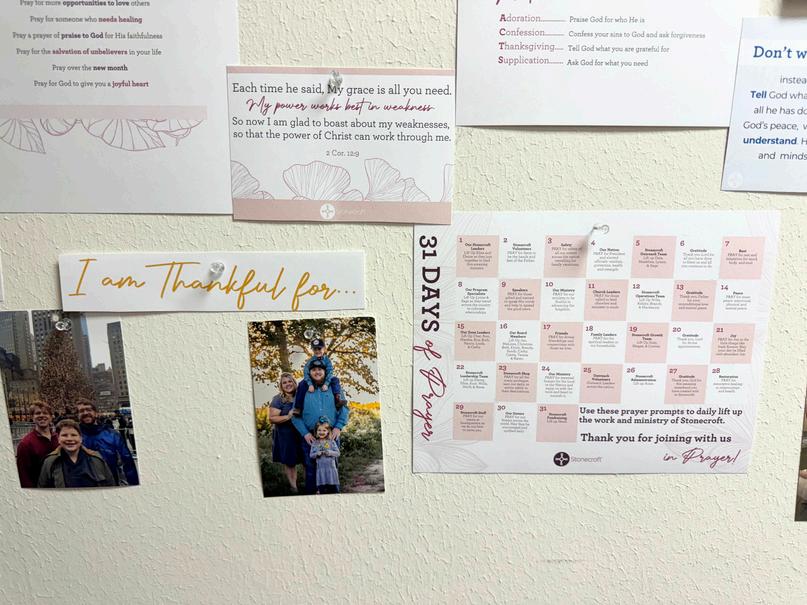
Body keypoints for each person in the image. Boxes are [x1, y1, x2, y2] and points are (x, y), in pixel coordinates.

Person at [292, 359, 349, 494]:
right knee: (310, 469)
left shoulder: (334, 388)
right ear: (309, 372)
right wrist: (305, 433)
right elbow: (295, 415)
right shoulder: (303, 389)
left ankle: (333, 496)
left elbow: (344, 409)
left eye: (320, 369)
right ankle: (313, 497)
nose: (317, 372)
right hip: (310, 436)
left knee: (332, 467)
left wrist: (338, 427)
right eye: (314, 370)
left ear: (325, 371)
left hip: (330, 434)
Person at [76, 399, 139, 486]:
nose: (85, 413)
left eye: (89, 410)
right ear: (78, 415)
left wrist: (133, 485)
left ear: (96, 413)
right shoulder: (73, 436)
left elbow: (127, 462)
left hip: (111, 483)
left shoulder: (112, 435)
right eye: (81, 411)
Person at [37, 419, 115, 488]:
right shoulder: (50, 462)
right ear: (58, 439)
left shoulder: (96, 459)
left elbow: (110, 486)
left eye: (74, 435)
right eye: (64, 435)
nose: (69, 439)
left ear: (81, 438)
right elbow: (43, 491)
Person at [268, 372, 303, 493]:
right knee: (290, 462)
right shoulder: (278, 399)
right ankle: (294, 487)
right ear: (281, 386)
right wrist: (288, 417)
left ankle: (311, 484)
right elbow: (272, 418)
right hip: (286, 435)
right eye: (284, 383)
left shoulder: (300, 396)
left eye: (290, 381)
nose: (288, 384)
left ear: (294, 382)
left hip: (302, 433)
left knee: (306, 459)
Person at [15, 401, 59, 488]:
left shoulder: (58, 438)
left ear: (51, 417)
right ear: (32, 417)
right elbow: (23, 475)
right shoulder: (25, 444)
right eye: (38, 413)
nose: (41, 415)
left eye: (45, 413)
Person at [303, 338, 344, 404]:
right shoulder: (310, 361)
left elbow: (330, 372)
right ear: (312, 350)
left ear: (324, 349)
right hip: (313, 380)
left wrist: (326, 384)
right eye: (315, 349)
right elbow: (306, 372)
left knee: (335, 380)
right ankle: (298, 405)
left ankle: (337, 398)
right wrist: (310, 384)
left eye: (319, 348)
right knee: (302, 383)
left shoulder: (327, 360)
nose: (317, 351)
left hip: (324, 380)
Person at [309, 418, 340, 494]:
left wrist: (329, 452)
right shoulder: (315, 443)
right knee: (322, 489)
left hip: (331, 469)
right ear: (316, 431)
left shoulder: (331, 442)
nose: (321, 432)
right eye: (319, 430)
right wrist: (317, 454)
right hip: (321, 469)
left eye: (324, 430)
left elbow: (337, 453)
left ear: (328, 431)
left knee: (333, 489)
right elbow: (311, 455)